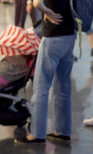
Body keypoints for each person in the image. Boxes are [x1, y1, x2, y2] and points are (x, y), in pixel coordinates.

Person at [15, 0, 75, 143]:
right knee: (63, 86)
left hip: (53, 37)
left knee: (41, 87)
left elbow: (37, 3)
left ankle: (37, 133)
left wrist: (48, 12)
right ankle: (63, 131)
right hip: (69, 35)